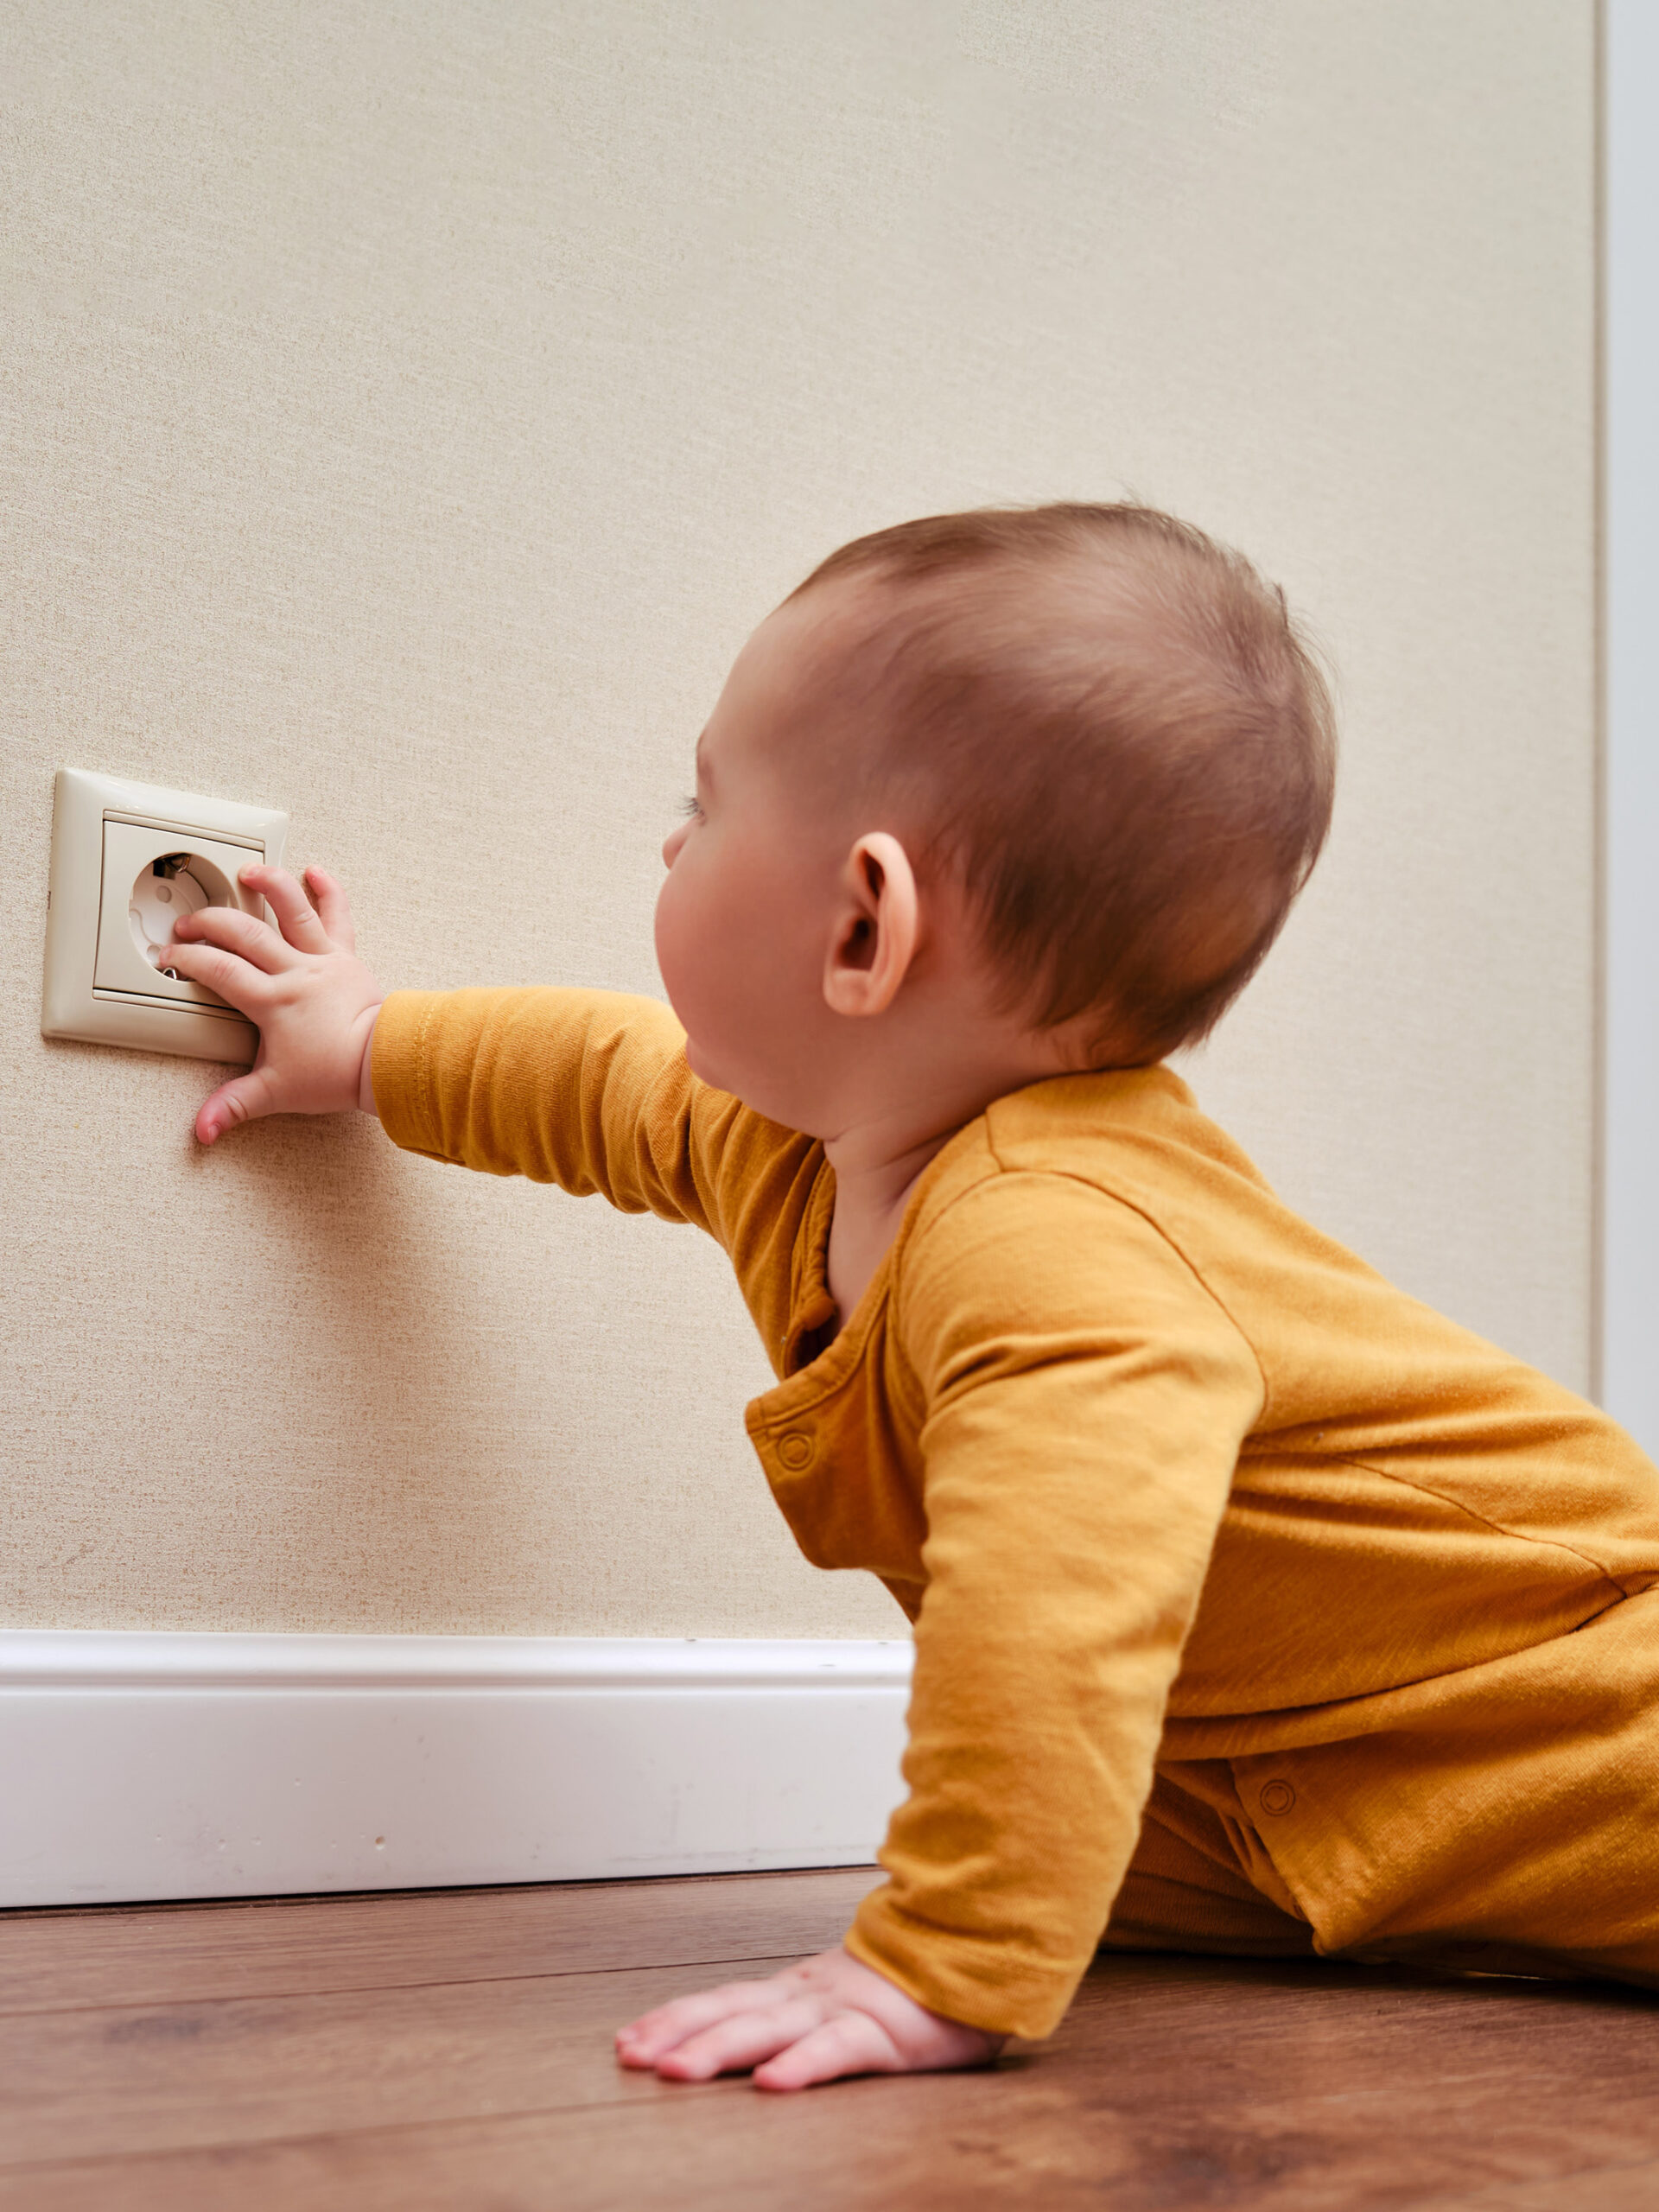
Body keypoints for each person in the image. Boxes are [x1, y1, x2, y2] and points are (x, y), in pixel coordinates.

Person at [167, 504, 1659, 2094]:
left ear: (865, 927)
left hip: (1586, 1724)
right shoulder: (798, 1147)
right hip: (1296, 1779)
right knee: (1116, 1848)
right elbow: (604, 1082)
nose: (672, 842)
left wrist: (933, 1967)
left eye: (706, 802)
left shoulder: (1053, 1248)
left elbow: (1056, 1620)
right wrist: (367, 1045)